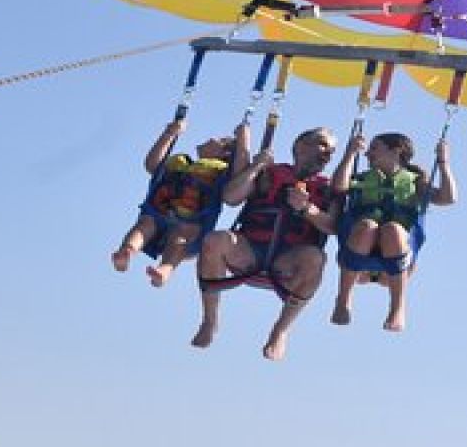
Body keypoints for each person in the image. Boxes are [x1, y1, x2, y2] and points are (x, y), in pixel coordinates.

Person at [190, 126, 338, 360]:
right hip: (248, 254)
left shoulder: (330, 188)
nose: (327, 153)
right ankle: (209, 321)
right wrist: (257, 165)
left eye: (332, 150)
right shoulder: (268, 173)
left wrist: (307, 209)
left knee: (316, 258)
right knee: (216, 240)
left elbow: (333, 227)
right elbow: (231, 197)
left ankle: (280, 332)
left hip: (288, 265)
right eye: (322, 144)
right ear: (300, 146)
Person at [328, 132, 457, 332]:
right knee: (367, 226)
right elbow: (338, 186)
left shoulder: (415, 183)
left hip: (395, 263)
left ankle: (397, 308)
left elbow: (448, 198)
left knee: (393, 230)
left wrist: (443, 162)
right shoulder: (361, 179)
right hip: (358, 258)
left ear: (396, 151)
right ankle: (343, 300)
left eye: (374, 148)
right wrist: (349, 154)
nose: (368, 154)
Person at [111, 119, 246, 287]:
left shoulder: (221, 172)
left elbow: (240, 173)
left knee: (179, 237)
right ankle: (127, 251)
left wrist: (242, 140)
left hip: (192, 223)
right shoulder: (179, 164)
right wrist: (169, 134)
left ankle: (165, 270)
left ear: (224, 154)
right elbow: (152, 165)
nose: (212, 138)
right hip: (158, 211)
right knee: (144, 226)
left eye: (219, 140)